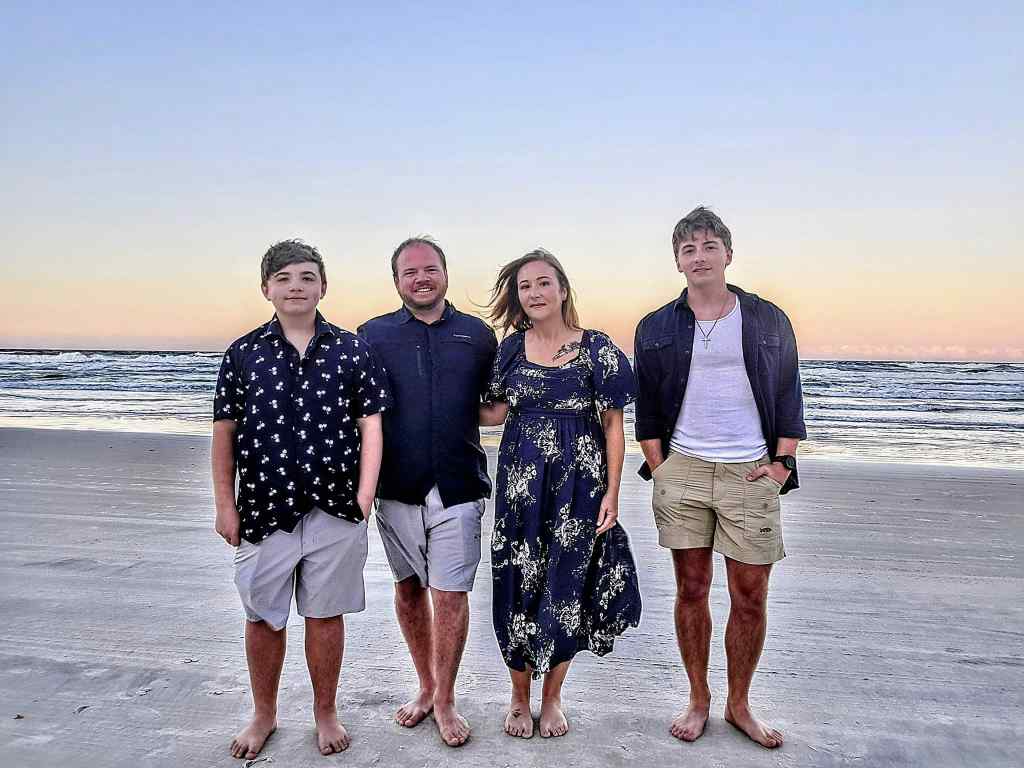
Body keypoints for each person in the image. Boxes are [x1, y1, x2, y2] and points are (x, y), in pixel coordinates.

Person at [633, 206, 806, 749]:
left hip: (750, 471)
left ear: (727, 254)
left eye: (709, 246)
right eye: (689, 249)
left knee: (749, 594)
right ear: (677, 261)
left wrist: (781, 465)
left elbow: (788, 394)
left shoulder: (766, 319)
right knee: (691, 588)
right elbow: (647, 406)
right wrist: (661, 468)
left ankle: (738, 704)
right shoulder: (656, 327)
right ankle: (699, 699)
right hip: (682, 470)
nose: (699, 257)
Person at [211, 239, 389, 759]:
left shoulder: (351, 349)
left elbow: (370, 423)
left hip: (336, 505)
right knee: (263, 617)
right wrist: (226, 504)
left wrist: (365, 494)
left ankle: (325, 712)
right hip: (263, 508)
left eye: (307, 277)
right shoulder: (242, 353)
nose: (296, 286)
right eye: (284, 277)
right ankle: (263, 713)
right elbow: (225, 433)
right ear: (266, 288)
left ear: (323, 287)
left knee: (325, 615)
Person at [480, 249, 642, 739]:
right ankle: (518, 697)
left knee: (565, 589)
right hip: (519, 488)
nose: (534, 293)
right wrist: (433, 410)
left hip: (580, 486)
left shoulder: (598, 349)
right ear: (518, 295)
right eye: (526, 285)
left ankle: (551, 699)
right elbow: (494, 414)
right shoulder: (509, 350)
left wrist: (613, 493)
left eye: (544, 283)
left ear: (563, 289)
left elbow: (614, 425)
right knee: (515, 585)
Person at [358, 237, 497, 747]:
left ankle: (445, 699)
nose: (421, 278)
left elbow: (497, 403)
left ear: (445, 274)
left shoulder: (478, 335)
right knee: (409, 589)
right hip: (396, 487)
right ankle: (424, 685)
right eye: (410, 271)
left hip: (459, 485)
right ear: (396, 280)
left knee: (451, 593)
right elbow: (358, 413)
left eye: (430, 269)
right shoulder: (372, 336)